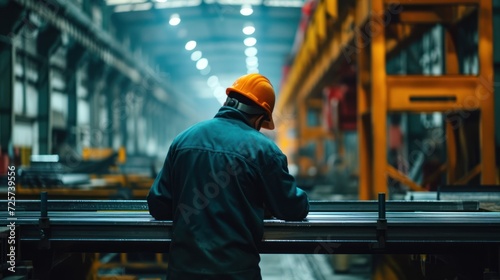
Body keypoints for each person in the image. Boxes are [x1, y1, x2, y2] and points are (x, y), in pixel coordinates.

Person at [147, 73, 310, 280]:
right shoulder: (264, 150)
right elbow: (293, 209)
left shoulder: (183, 140)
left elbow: (158, 205)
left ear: (228, 102)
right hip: (237, 272)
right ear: (260, 117)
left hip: (183, 272)